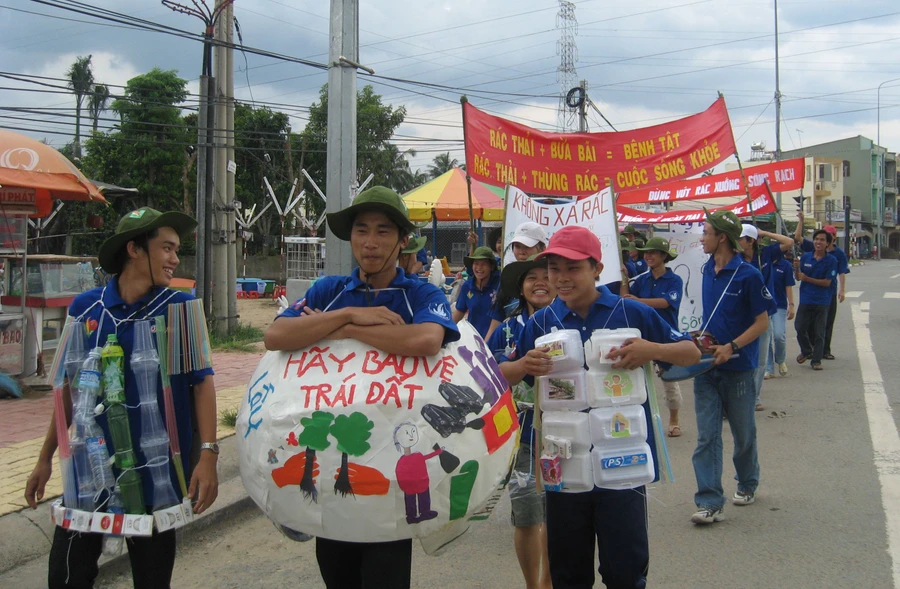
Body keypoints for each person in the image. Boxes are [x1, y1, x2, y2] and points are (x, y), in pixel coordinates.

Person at [264, 186, 460, 589]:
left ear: (403, 240)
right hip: (332, 465)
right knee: (337, 577)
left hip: (391, 475)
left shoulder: (418, 293)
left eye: (384, 231)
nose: (371, 243)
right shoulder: (329, 291)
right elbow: (277, 334)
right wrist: (355, 313)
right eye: (361, 231)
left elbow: (426, 340)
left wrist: (339, 328)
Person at [25, 207, 219, 589]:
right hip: (88, 477)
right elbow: (68, 390)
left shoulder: (179, 310)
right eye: (166, 248)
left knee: (151, 580)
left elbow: (203, 384)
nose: (175, 259)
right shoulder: (86, 309)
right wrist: (45, 458)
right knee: (66, 578)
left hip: (157, 479)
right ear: (134, 249)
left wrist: (209, 455)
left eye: (176, 249)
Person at [515, 226, 700, 589]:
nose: (561, 278)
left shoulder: (630, 312)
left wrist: (653, 350)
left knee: (626, 572)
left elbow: (691, 351)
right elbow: (503, 376)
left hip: (623, 465)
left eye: (573, 268)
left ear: (597, 268)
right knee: (568, 573)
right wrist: (525, 364)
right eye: (554, 268)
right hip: (562, 468)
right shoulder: (540, 323)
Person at [691, 209, 774, 526]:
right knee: (707, 437)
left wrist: (733, 346)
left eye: (706, 233)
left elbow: (762, 322)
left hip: (739, 367)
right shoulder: (705, 269)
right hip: (706, 365)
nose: (702, 238)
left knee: (743, 433)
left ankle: (748, 481)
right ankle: (710, 501)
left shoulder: (749, 275)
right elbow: (712, 315)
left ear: (721, 237)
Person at [486, 255, 556, 589]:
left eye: (548, 275)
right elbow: (485, 376)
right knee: (528, 519)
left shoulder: (572, 323)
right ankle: (535, 585)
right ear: (521, 286)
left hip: (567, 440)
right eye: (532, 277)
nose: (540, 282)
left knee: (564, 521)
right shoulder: (507, 330)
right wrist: (521, 366)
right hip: (522, 440)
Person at [621, 236, 685, 437]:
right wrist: (623, 278)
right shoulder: (641, 279)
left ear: (664, 256)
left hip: (666, 335)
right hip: (642, 336)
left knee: (670, 381)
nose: (647, 256)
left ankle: (674, 420)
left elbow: (666, 303)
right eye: (646, 252)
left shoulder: (675, 280)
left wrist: (639, 301)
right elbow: (626, 299)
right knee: (637, 381)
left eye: (653, 252)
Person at [737, 223, 794, 411]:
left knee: (761, 360)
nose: (737, 242)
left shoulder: (766, 253)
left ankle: (755, 397)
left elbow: (789, 241)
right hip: (742, 316)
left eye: (741, 238)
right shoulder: (735, 258)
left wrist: (764, 233)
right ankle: (740, 396)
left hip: (764, 314)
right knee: (742, 357)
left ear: (751, 241)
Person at [794, 214, 849, 360]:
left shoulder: (837, 255)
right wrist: (801, 221)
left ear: (832, 239)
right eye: (818, 238)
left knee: (825, 324)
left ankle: (824, 351)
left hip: (828, 293)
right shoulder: (810, 252)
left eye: (826, 237)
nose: (820, 241)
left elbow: (842, 272)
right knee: (806, 325)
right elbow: (798, 237)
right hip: (808, 296)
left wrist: (842, 290)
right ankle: (810, 350)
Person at [484, 223, 549, 341]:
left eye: (527, 246)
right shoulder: (506, 282)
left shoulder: (556, 277)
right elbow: (494, 326)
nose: (521, 252)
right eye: (517, 246)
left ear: (542, 248)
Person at [793, 229, 838, 371]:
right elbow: (798, 277)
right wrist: (796, 269)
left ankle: (816, 360)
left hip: (822, 301)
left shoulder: (832, 260)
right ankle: (807, 350)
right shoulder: (806, 257)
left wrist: (807, 279)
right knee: (799, 327)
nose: (818, 242)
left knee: (819, 332)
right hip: (806, 299)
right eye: (816, 239)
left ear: (828, 244)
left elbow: (827, 282)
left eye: (822, 240)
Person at [452, 246, 500, 339]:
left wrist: (486, 346)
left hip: (495, 341)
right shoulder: (467, 286)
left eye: (484, 264)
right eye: (476, 263)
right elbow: (458, 312)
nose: (479, 268)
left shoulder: (499, 286)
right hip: (473, 340)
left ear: (492, 267)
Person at [765, 251, 796, 378]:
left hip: (780, 305)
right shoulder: (763, 263)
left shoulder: (785, 266)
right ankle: (769, 368)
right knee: (766, 338)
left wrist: (792, 305)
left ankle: (781, 360)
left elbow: (788, 286)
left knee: (779, 335)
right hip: (764, 306)